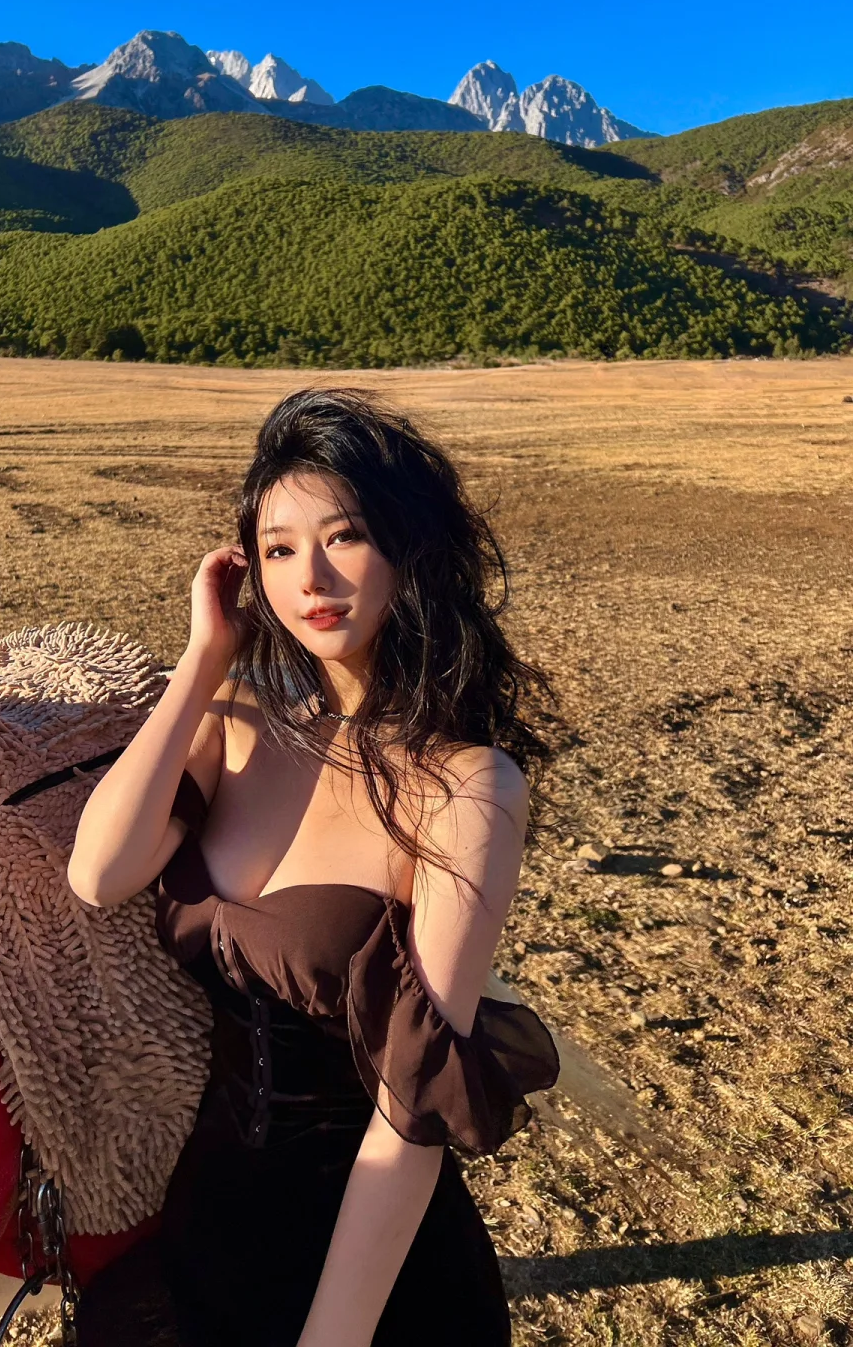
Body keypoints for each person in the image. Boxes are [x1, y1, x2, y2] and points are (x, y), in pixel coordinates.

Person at [67, 388, 560, 1347]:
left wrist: (333, 1336)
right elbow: (99, 872)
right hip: (206, 1230)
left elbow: (410, 1111)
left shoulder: (467, 787)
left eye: (345, 537)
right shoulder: (236, 722)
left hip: (372, 1271)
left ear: (409, 548)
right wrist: (204, 658)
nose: (312, 579)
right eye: (280, 550)